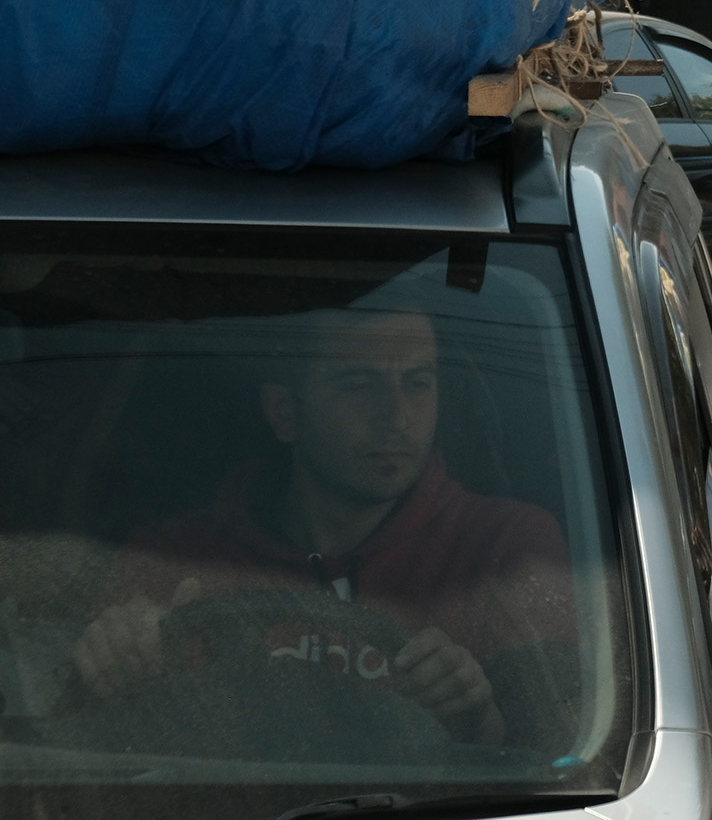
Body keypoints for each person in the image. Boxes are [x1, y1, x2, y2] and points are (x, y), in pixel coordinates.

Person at [74, 307, 574, 744]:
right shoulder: (171, 560)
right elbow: (76, 753)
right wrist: (104, 668)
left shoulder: (507, 549)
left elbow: (564, 761)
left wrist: (480, 722)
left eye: (417, 383)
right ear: (285, 412)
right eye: (359, 385)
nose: (397, 418)